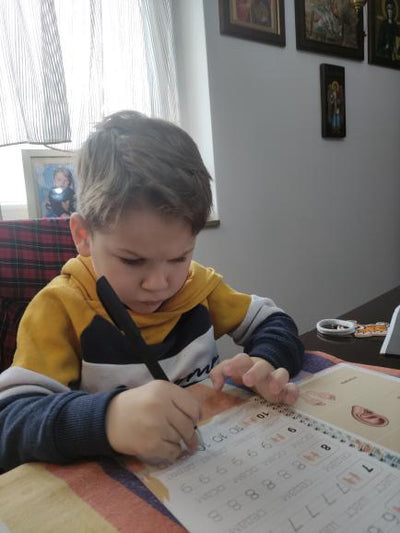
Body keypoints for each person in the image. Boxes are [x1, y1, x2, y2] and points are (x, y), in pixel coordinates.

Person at [0, 110, 304, 471]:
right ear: (83, 236)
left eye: (179, 257)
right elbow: (11, 420)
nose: (159, 283)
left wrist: (265, 362)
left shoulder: (197, 286)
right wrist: (108, 419)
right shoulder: (60, 308)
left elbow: (274, 322)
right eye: (132, 260)